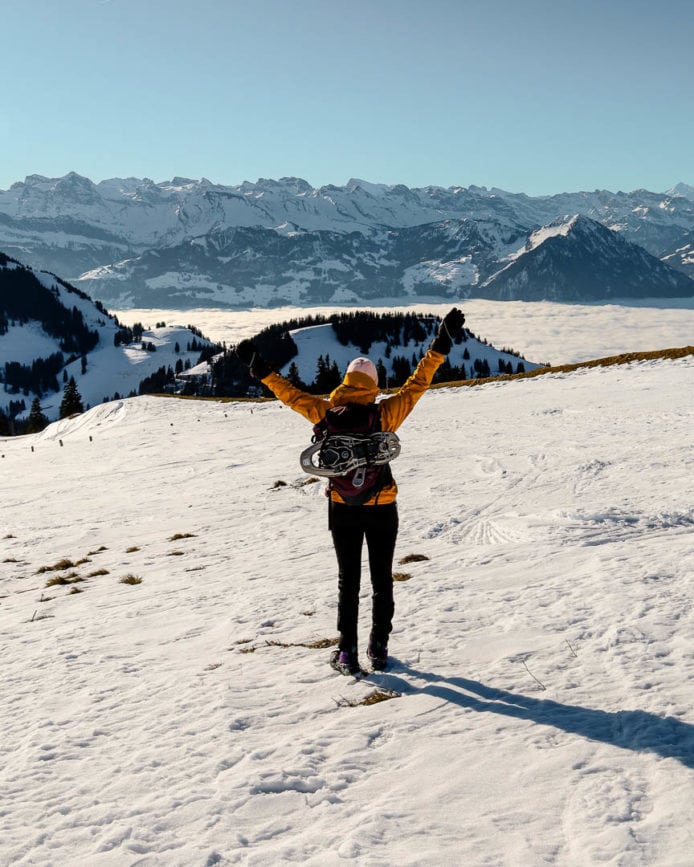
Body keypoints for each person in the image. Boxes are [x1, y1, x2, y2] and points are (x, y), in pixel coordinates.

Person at [235, 308, 466, 675]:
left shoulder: (324, 413)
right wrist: (441, 344)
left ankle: (347, 653)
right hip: (382, 505)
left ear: (346, 382)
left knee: (348, 581)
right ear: (372, 385)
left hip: (342, 506)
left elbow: (290, 395)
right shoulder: (386, 414)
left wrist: (259, 368)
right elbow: (418, 383)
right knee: (381, 579)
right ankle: (379, 648)